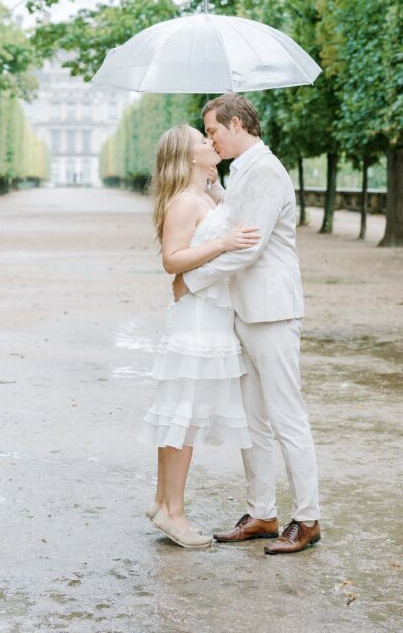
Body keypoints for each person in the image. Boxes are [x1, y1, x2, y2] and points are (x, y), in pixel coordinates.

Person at [172, 94, 321, 555]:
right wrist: (216, 191)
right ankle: (262, 512)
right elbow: (231, 222)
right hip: (247, 310)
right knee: (253, 420)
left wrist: (191, 280)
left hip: (272, 312)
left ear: (236, 124)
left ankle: (308, 519)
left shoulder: (267, 171)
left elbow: (246, 248)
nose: (211, 140)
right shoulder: (243, 171)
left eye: (214, 131)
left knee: (287, 416)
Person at [139, 124, 260, 548]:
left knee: (181, 415)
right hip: (194, 320)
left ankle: (161, 502)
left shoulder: (207, 194)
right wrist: (224, 243)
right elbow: (172, 261)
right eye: (204, 141)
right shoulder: (185, 202)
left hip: (210, 316)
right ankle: (175, 514)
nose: (213, 143)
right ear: (190, 157)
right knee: (183, 419)